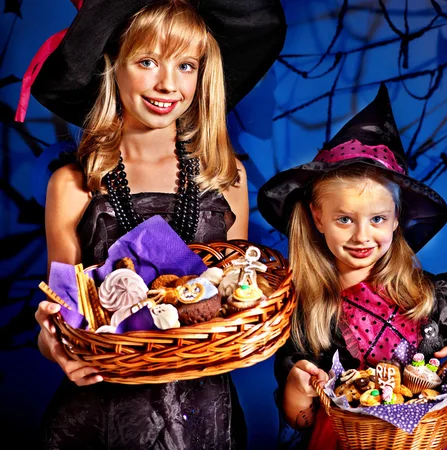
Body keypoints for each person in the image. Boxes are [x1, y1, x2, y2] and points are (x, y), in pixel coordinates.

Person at [21, 0, 286, 448]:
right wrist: (55, 346)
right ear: (112, 66)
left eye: (186, 65)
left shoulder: (226, 177)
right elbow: (61, 312)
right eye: (147, 62)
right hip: (104, 415)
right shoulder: (73, 185)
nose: (168, 84)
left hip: (206, 415)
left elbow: (234, 301)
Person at [257, 84, 447, 450]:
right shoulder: (305, 314)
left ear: (397, 219)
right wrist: (296, 389)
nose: (361, 236)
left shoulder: (435, 297)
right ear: (317, 217)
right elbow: (301, 420)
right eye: (344, 220)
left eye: (378, 219)